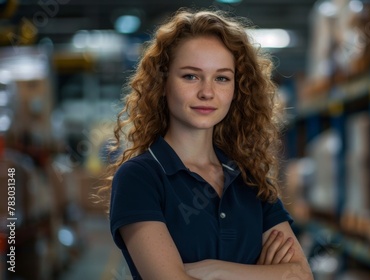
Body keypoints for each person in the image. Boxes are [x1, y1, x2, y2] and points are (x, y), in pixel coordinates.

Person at [98, 8, 313, 280]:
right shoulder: (140, 178)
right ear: (163, 83)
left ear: (237, 89)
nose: (207, 92)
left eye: (222, 78)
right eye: (191, 76)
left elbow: (301, 275)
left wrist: (214, 270)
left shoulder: (250, 179)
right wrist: (263, 274)